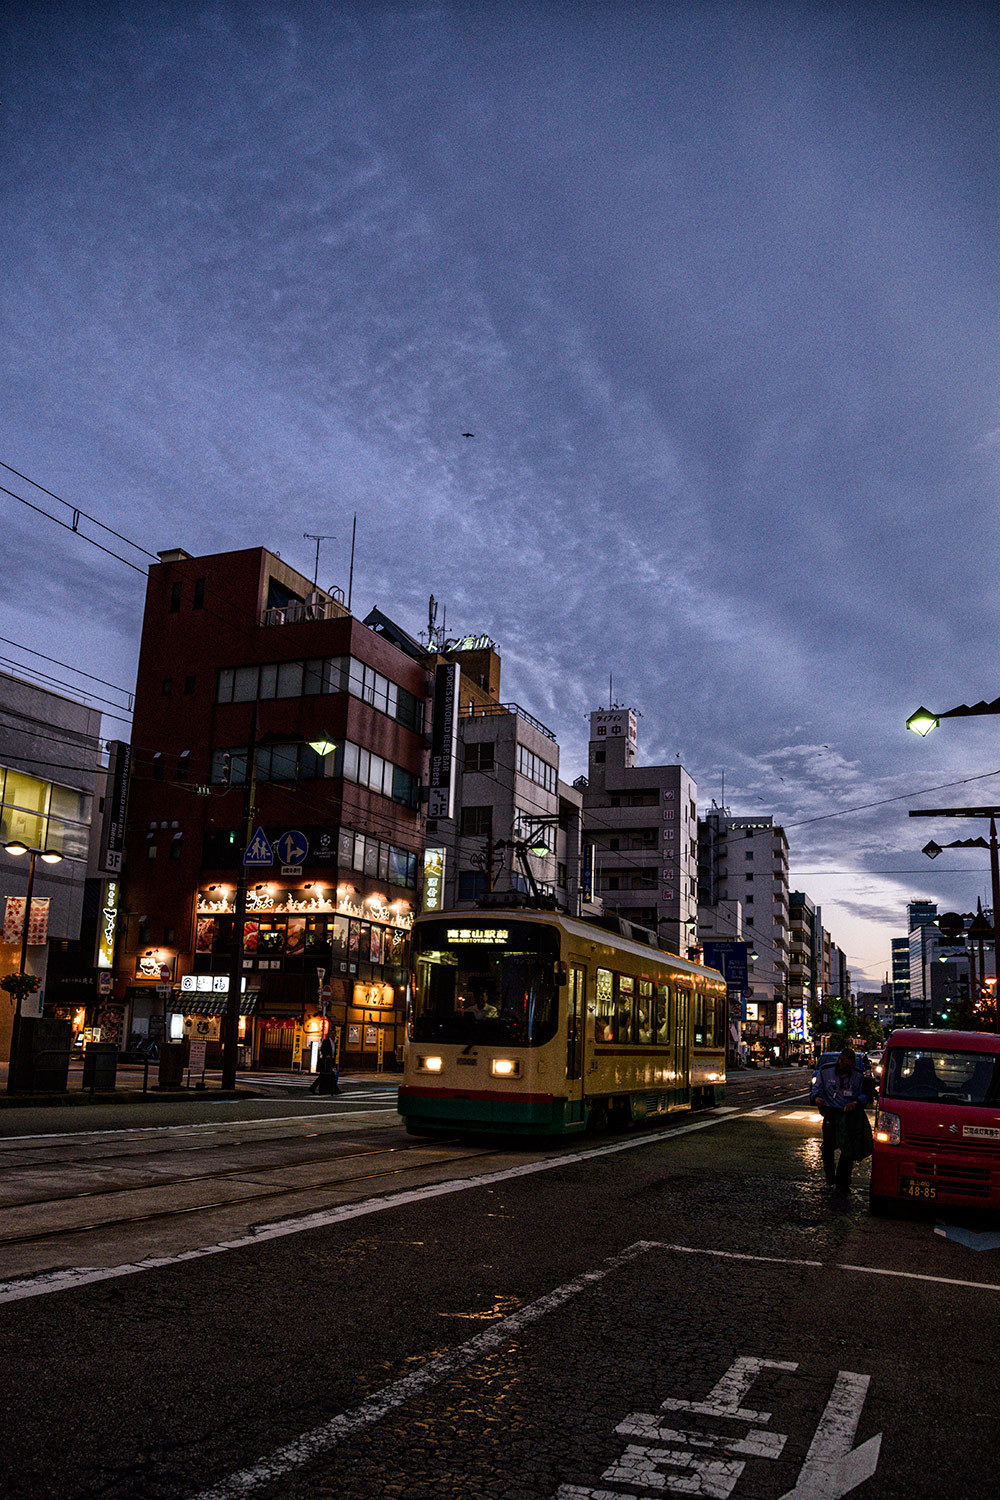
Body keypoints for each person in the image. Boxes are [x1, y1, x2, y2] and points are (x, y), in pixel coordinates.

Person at [812, 1047, 874, 1192]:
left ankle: (843, 1182)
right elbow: (816, 1088)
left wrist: (856, 1102)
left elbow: (865, 1094)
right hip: (831, 1113)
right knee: (828, 1146)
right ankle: (829, 1174)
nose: (846, 1068)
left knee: (848, 1150)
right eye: (844, 1065)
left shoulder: (858, 1076)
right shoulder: (825, 1071)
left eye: (849, 1066)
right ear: (839, 1061)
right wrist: (816, 1098)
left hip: (848, 1114)